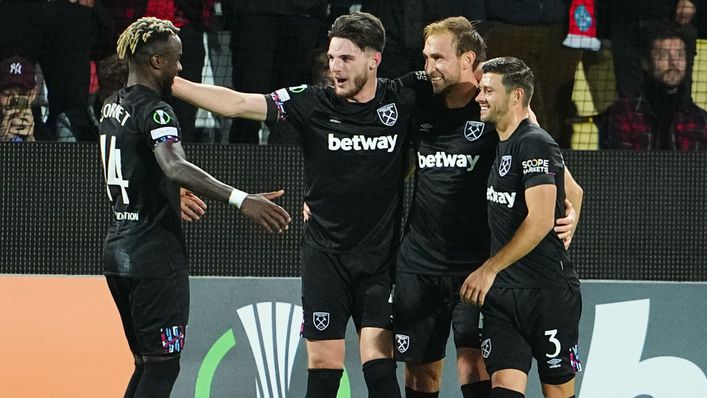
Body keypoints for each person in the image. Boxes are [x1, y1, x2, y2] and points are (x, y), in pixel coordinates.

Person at [172, 11, 437, 398]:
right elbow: (235, 104)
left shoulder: (403, 95)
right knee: (324, 371)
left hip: (381, 262)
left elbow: (466, 83)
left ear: (373, 59)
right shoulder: (311, 102)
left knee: (379, 370)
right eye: (332, 58)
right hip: (324, 258)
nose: (335, 68)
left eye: (346, 59)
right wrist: (170, 80)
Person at [100, 17, 291, 398]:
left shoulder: (111, 105)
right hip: (153, 257)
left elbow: (132, 166)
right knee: (163, 368)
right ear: (156, 62)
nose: (180, 68)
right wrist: (242, 199)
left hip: (117, 252)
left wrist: (167, 194)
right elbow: (175, 165)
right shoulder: (156, 111)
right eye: (176, 59)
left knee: (147, 364)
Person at [395, 18, 583, 398]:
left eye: (437, 58)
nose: (427, 67)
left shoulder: (501, 112)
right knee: (421, 375)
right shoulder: (420, 107)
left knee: (473, 365)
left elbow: (567, 184)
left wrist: (571, 214)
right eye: (425, 57)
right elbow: (394, 171)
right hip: (421, 263)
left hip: (478, 266)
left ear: (467, 60)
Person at [461, 57, 583, 398]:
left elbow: (542, 218)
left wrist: (489, 269)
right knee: (503, 389)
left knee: (557, 393)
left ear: (515, 96)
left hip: (547, 295)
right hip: (504, 296)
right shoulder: (504, 140)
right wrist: (569, 217)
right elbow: (574, 191)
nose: (479, 97)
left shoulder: (534, 142)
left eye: (487, 90)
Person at [599, 21, 707, 150]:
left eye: (679, 55)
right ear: (646, 63)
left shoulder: (700, 120)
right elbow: (620, 167)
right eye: (663, 55)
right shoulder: (623, 114)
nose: (673, 63)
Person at [0, 55, 41, 142]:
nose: (15, 101)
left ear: (33, 94)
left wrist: (31, 141)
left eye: (22, 94)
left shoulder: (44, 133)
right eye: (7, 94)